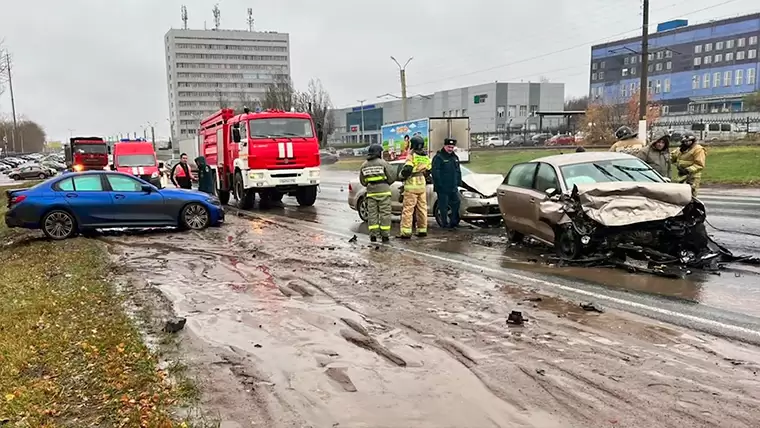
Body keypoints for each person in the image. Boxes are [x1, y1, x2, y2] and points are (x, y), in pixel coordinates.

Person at [359, 144, 395, 243]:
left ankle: (373, 235)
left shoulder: (364, 165)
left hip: (371, 193)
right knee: (385, 214)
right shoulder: (383, 163)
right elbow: (392, 177)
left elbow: (363, 181)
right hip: (384, 192)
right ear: (379, 153)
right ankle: (385, 236)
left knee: (372, 214)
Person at [398, 135, 431, 239]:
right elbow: (429, 170)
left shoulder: (411, 155)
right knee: (422, 209)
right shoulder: (425, 157)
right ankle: (422, 230)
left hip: (411, 186)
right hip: (422, 186)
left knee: (408, 210)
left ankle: (406, 232)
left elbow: (407, 169)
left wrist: (401, 176)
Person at [432, 138, 461, 229]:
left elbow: (458, 171)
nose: (450, 149)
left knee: (456, 203)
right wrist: (439, 184)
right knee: (443, 206)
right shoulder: (439, 157)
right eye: (449, 147)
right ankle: (444, 224)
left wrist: (459, 182)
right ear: (444, 146)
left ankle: (453, 222)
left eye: (452, 147)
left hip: (453, 186)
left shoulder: (454, 157)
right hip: (443, 187)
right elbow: (435, 172)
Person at [671, 131, 706, 197]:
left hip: (693, 176)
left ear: (693, 140)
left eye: (689, 141)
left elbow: (699, 164)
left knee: (691, 195)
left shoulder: (698, 149)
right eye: (685, 141)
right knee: (680, 195)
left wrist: (687, 170)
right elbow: (672, 157)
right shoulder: (680, 149)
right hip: (681, 175)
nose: (687, 143)